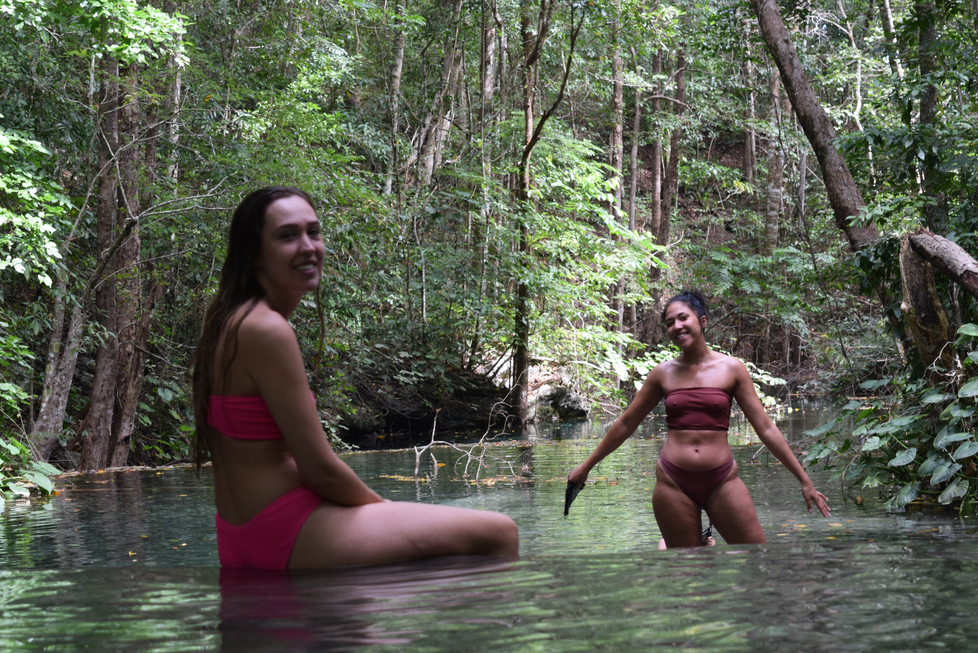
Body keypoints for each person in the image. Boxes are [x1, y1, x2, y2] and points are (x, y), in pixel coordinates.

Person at [192, 186, 518, 570]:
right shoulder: (267, 329)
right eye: (287, 236)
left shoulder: (227, 321)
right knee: (500, 533)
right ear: (254, 254)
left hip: (242, 534)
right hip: (287, 530)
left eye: (313, 231)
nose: (307, 246)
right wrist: (385, 509)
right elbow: (320, 469)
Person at [566, 290, 829, 547]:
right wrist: (585, 468)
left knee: (757, 557)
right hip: (673, 482)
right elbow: (625, 424)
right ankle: (676, 544)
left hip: (722, 479)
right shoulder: (662, 374)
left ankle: (680, 543)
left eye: (683, 318)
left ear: (702, 321)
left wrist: (803, 480)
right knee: (688, 575)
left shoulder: (732, 369)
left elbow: (766, 428)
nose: (676, 326)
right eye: (669, 323)